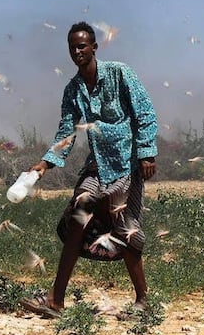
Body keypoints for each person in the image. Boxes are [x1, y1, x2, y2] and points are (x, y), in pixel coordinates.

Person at [21, 21, 158, 318]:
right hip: (96, 167)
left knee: (126, 227)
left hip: (125, 165)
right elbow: (66, 133)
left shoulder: (120, 74)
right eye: (72, 47)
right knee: (78, 216)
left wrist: (147, 152)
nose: (77, 51)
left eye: (82, 46)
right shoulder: (73, 90)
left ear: (94, 47)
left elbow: (145, 111)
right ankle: (56, 300)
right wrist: (44, 164)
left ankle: (143, 301)